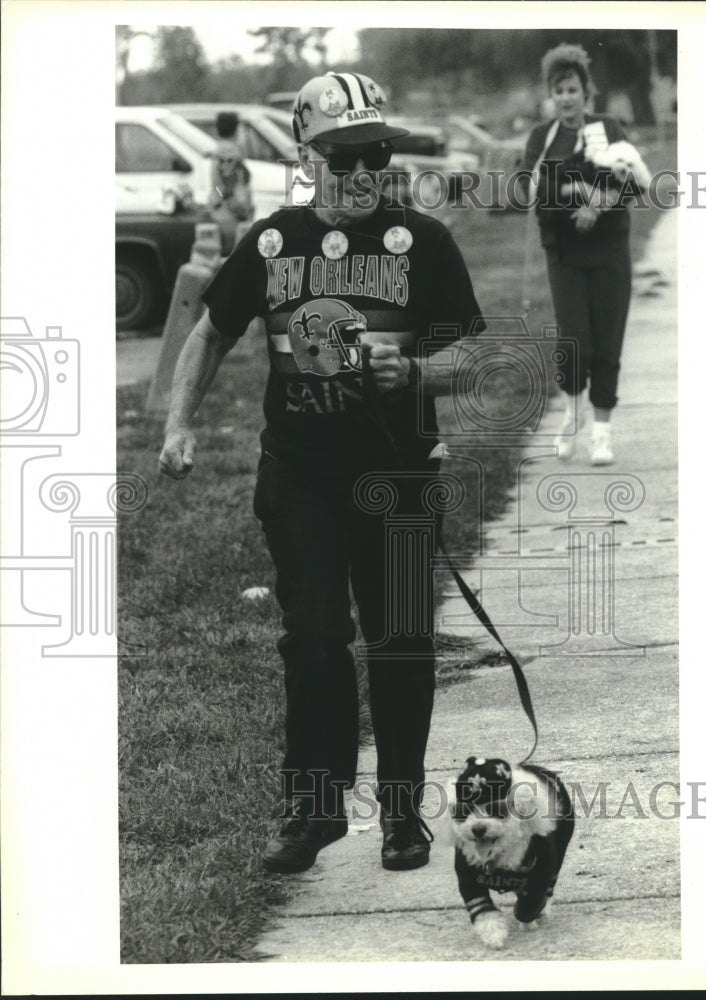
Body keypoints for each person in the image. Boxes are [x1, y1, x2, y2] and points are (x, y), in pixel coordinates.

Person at [158, 71, 486, 875]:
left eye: (374, 152)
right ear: (307, 157)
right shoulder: (272, 241)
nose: (360, 170)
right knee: (311, 639)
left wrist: (413, 374)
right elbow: (210, 332)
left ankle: (403, 814)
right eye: (340, 156)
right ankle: (312, 812)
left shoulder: (423, 242)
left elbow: (476, 359)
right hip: (300, 476)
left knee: (402, 642)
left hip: (400, 477)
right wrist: (178, 424)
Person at [520, 43, 649, 465]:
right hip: (565, 256)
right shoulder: (543, 138)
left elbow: (636, 184)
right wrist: (569, 193)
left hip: (610, 250)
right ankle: (571, 418)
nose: (566, 98)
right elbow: (530, 191)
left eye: (573, 89)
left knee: (608, 344)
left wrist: (599, 205)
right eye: (559, 90)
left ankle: (601, 434)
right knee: (576, 343)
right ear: (550, 95)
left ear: (585, 91)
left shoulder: (608, 128)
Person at [209, 111, 254, 254]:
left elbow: (217, 187)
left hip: (222, 212)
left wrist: (218, 197)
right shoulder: (230, 155)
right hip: (231, 215)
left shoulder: (218, 152)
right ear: (236, 130)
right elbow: (228, 188)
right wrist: (239, 208)